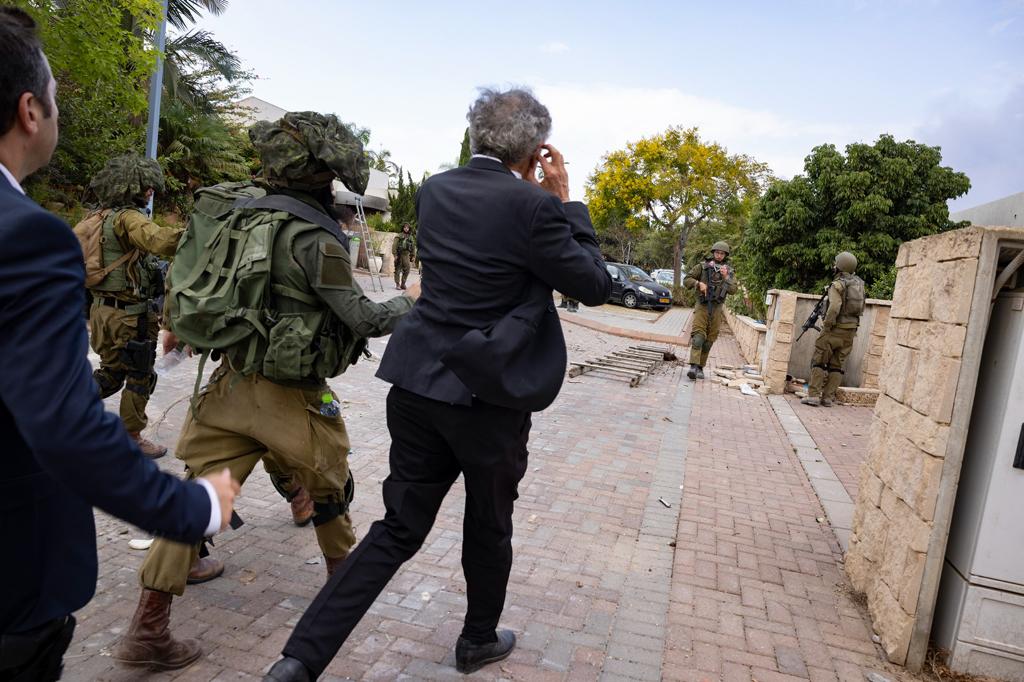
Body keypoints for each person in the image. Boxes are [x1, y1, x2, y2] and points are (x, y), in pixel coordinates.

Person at [264, 87, 612, 681]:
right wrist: (565, 202)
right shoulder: (536, 210)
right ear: (534, 150)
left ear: (476, 135)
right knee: (489, 521)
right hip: (488, 398)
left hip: (419, 382)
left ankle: (299, 660)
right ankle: (477, 640)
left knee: (397, 528)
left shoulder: (435, 190)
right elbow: (595, 284)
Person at [114, 111, 418, 672]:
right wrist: (412, 300)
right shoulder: (314, 238)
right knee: (331, 488)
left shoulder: (238, 214)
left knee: (202, 499)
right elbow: (363, 318)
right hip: (291, 398)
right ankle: (338, 602)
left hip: (228, 385)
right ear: (322, 176)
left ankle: (148, 628)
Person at [0, 8, 238, 680]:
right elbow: (61, 429)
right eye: (52, 98)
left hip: (95, 314)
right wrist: (191, 506)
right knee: (133, 380)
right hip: (14, 584)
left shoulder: (76, 222)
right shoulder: (30, 231)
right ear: (29, 112)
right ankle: (134, 435)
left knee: (112, 375)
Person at [83, 153, 182, 458]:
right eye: (146, 186)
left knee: (111, 373)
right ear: (130, 186)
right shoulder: (128, 217)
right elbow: (160, 242)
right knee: (140, 375)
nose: (150, 191)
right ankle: (132, 437)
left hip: (101, 312)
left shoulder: (94, 218)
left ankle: (62, 408)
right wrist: (200, 235)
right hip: (129, 316)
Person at [801, 251, 864, 407]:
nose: (834, 266)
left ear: (840, 267)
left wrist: (827, 325)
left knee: (819, 361)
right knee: (837, 365)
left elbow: (834, 307)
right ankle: (828, 398)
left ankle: (814, 396)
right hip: (850, 331)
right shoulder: (859, 284)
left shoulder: (837, 285)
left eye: (836, 264)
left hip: (834, 329)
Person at [684, 241, 738, 379]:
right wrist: (698, 283)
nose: (719, 255)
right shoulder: (702, 267)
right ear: (713, 253)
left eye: (722, 253)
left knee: (709, 340)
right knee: (698, 337)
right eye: (717, 252)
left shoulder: (729, 271)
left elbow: (733, 290)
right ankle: (693, 366)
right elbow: (686, 279)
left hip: (717, 308)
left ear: (725, 255)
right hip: (702, 305)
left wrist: (726, 277)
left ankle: (701, 367)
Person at [391, 222, 416, 289]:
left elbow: (413, 247)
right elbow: (394, 245)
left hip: (406, 255)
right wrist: (395, 254)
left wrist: (413, 256)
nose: (406, 229)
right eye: (405, 227)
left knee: (407, 269)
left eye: (407, 227)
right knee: (398, 269)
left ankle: (403, 284)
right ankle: (397, 284)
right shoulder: (399, 236)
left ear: (409, 228)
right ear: (403, 228)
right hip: (399, 254)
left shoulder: (410, 237)